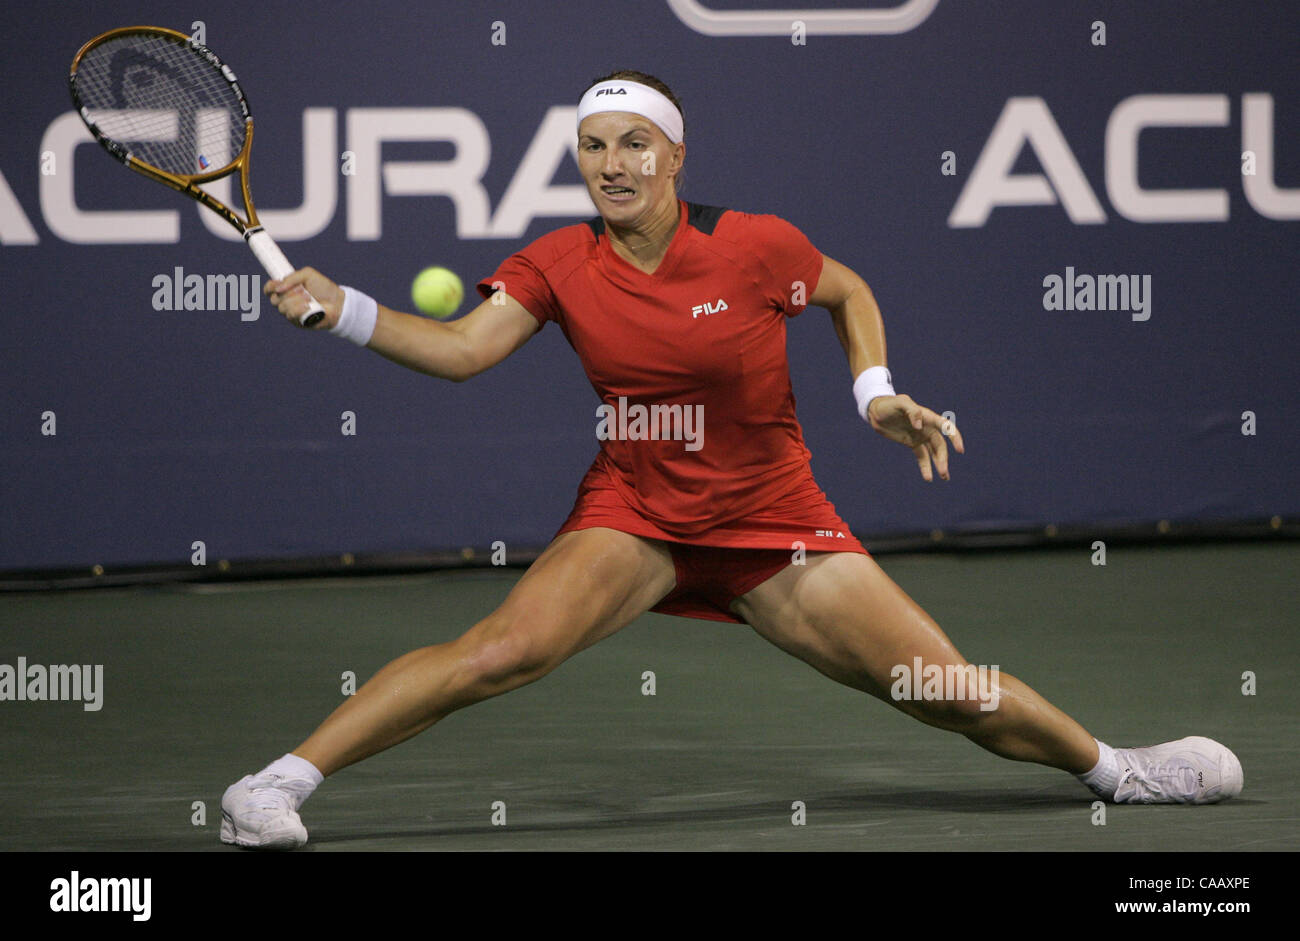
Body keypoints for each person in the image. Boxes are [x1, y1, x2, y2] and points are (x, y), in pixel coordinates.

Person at [222, 70, 1242, 849]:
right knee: (500, 651)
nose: (609, 163)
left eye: (631, 144)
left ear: (672, 156)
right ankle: (274, 784)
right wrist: (346, 312)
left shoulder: (753, 246)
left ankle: (1118, 770)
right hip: (637, 516)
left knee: (946, 686)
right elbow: (460, 351)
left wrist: (874, 393)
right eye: (590, 146)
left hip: (775, 522)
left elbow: (845, 292)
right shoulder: (556, 261)